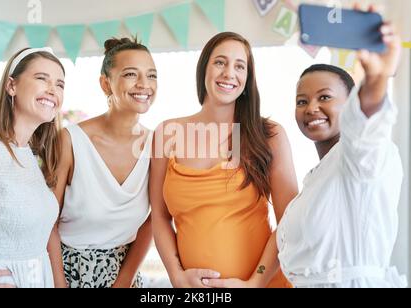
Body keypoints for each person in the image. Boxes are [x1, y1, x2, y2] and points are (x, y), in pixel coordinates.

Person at [150, 32, 298, 288]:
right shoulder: (167, 133)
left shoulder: (269, 135)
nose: (229, 73)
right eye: (220, 62)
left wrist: (256, 282)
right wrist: (176, 276)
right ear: (204, 68)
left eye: (239, 66)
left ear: (247, 79)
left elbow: (290, 222)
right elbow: (160, 216)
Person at [277, 6, 407, 288]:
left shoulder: (364, 156)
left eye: (324, 97)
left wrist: (375, 81)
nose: (311, 108)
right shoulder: (317, 176)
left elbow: (367, 129)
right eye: (301, 101)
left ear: (351, 104)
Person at [48, 37, 155, 288]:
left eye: (151, 75)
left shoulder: (156, 144)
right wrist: (59, 284)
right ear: (105, 84)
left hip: (125, 275)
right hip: (65, 271)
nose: (144, 84)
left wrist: (124, 280)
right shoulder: (70, 140)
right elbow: (47, 220)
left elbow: (155, 220)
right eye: (131, 74)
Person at [0, 47, 65, 288]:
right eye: (42, 78)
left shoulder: (26, 153)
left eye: (60, 84)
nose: (53, 89)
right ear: (11, 86)